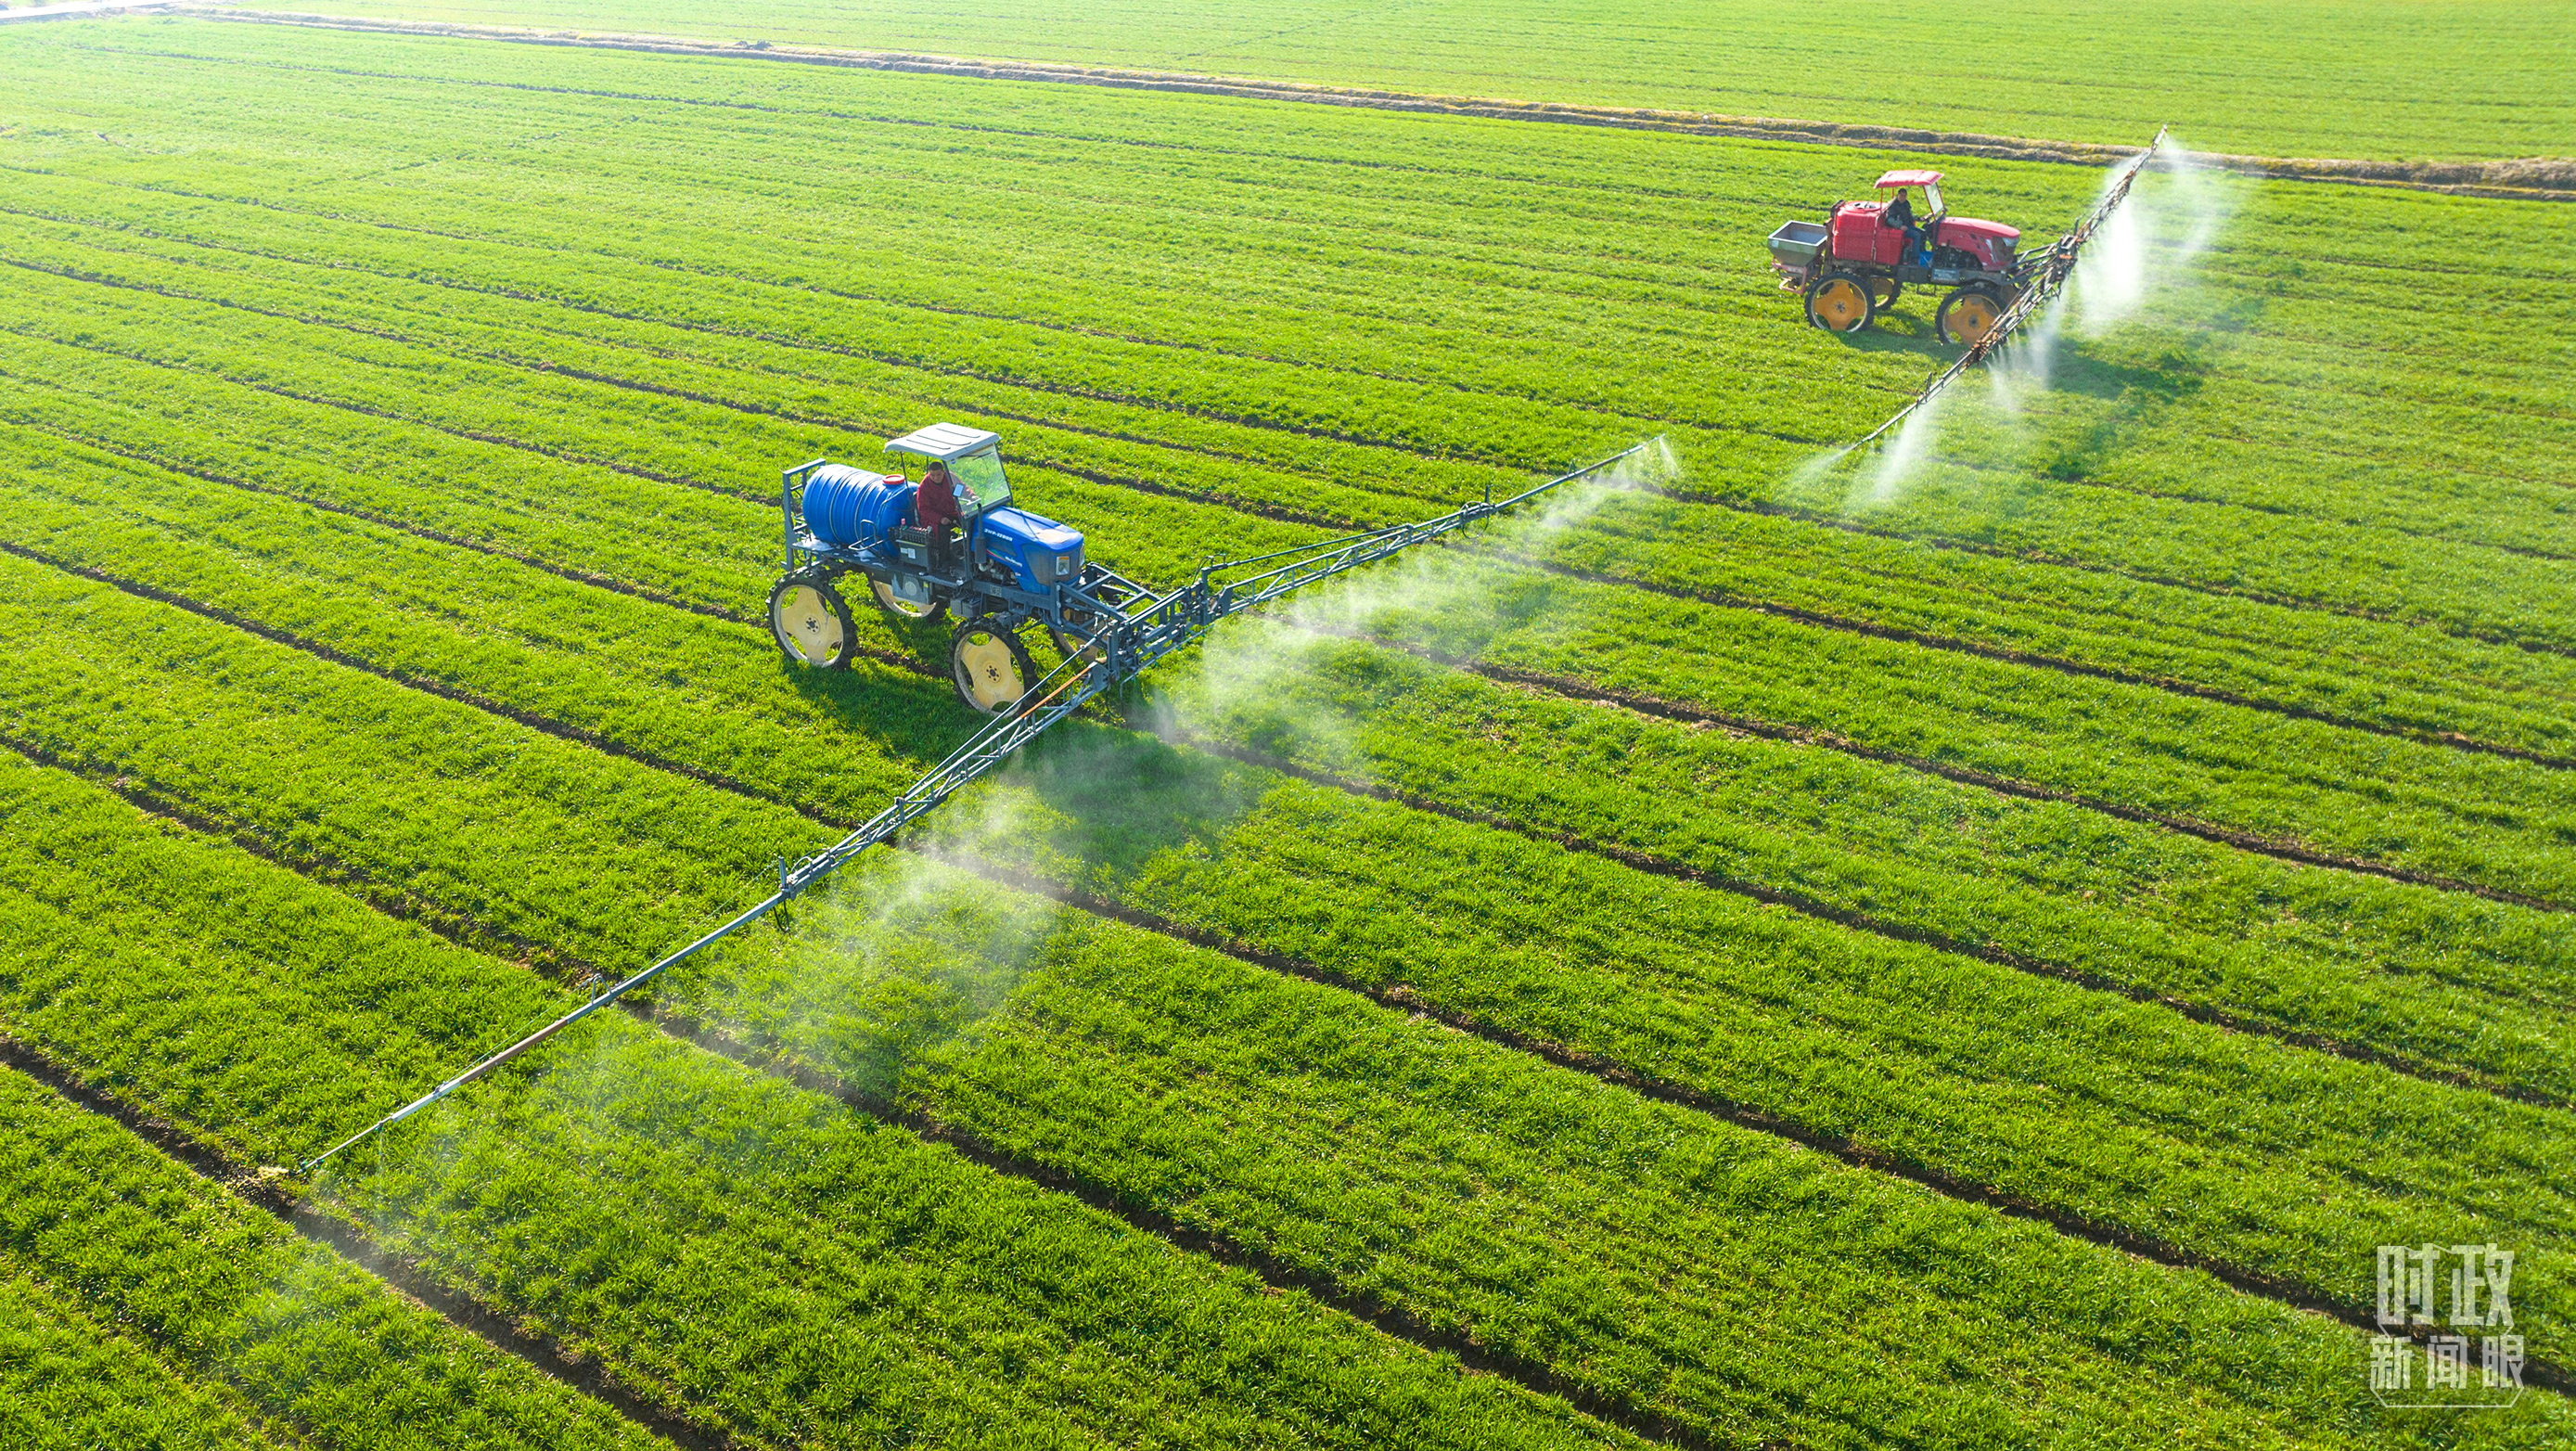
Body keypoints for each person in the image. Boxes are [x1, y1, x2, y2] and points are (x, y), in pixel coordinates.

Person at [914, 459, 965, 564]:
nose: (936, 478)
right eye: (932, 475)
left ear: (943, 472)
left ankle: (968, 551)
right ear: (929, 473)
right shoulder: (923, 488)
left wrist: (971, 497)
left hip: (951, 512)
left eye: (938, 475)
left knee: (968, 520)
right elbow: (924, 510)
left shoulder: (950, 477)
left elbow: (961, 488)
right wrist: (940, 519)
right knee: (943, 531)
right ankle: (943, 561)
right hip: (933, 519)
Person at [1881, 188, 1928, 263]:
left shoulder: (1905, 204)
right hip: (1899, 229)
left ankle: (1922, 253)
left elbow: (1909, 216)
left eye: (1904, 196)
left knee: (1923, 233)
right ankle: (1914, 258)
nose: (1903, 197)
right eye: (1901, 195)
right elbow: (1889, 219)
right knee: (1916, 235)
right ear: (1898, 195)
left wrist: (1919, 218)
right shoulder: (1893, 206)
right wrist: (1900, 226)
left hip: (1908, 226)